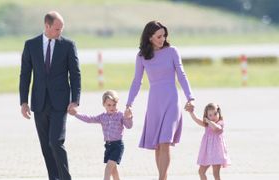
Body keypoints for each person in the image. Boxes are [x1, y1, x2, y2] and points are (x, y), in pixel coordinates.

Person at [125, 20, 195, 180]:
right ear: (150, 37)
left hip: (172, 100)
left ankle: (162, 178)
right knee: (158, 145)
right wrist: (129, 104)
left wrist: (190, 97)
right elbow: (137, 81)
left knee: (165, 142)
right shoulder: (142, 56)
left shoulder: (172, 51)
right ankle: (162, 176)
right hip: (155, 102)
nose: (162, 39)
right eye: (159, 36)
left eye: (164, 35)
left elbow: (182, 75)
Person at [19, 11, 81, 180]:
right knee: (46, 147)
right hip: (39, 103)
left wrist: (75, 100)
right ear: (47, 26)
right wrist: (23, 102)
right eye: (57, 29)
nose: (60, 32)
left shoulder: (68, 45)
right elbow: (25, 74)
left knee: (55, 142)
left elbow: (75, 74)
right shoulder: (31, 45)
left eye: (61, 29)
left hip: (60, 103)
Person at [68, 90, 133, 180]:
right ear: (104, 105)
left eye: (114, 105)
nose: (112, 107)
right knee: (113, 170)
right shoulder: (102, 117)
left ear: (117, 104)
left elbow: (129, 126)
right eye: (109, 105)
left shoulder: (120, 115)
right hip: (108, 146)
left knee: (108, 168)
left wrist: (128, 117)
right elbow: (89, 119)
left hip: (117, 146)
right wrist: (76, 114)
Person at [187, 103, 231, 180]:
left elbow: (216, 128)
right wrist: (191, 112)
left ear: (218, 113)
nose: (213, 117)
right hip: (207, 152)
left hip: (217, 152)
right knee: (201, 171)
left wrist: (208, 120)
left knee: (215, 173)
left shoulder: (220, 123)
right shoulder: (207, 124)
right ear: (207, 115)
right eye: (210, 115)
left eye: (215, 114)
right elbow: (197, 120)